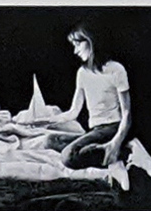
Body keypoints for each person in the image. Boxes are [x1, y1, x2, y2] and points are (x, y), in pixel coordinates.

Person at [57, 23, 139, 183]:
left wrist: (116, 142)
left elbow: (127, 113)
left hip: (113, 127)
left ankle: (124, 156)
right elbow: (74, 112)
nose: (75, 51)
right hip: (96, 130)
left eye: (77, 44)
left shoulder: (116, 69)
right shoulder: (82, 73)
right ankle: (125, 149)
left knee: (68, 157)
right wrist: (44, 120)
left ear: (90, 40)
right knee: (50, 141)